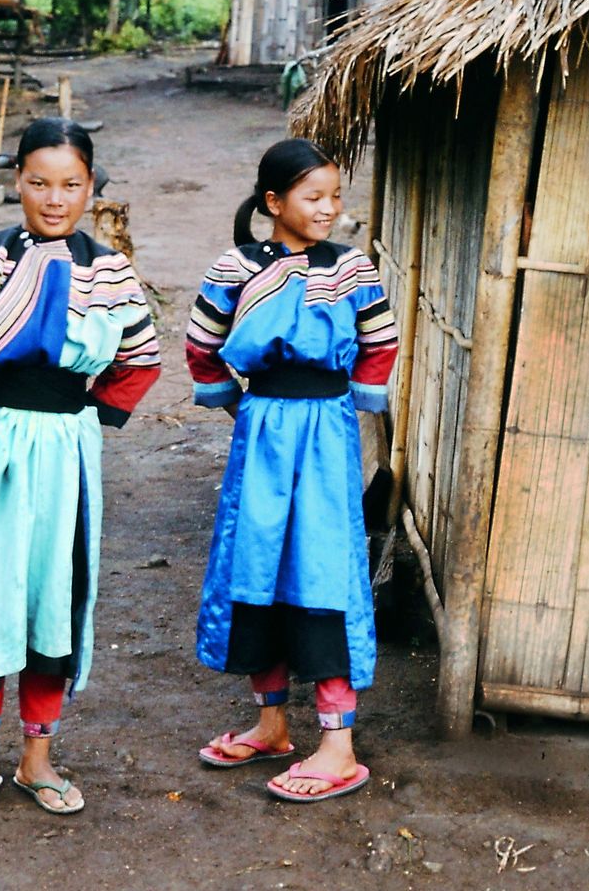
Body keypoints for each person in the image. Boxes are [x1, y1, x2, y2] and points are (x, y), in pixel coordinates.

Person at [0, 117, 160, 815]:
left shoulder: (108, 270)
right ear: (16, 181)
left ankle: (38, 761)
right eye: (39, 183)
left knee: (56, 595)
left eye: (71, 184)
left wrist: (89, 418)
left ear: (90, 187)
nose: (55, 198)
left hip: (68, 450)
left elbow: (140, 359)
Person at [186, 137, 398, 803]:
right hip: (264, 429)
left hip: (327, 431)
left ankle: (338, 745)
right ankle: (271, 723)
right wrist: (243, 412)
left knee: (323, 567)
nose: (329, 209)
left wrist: (350, 415)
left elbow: (379, 343)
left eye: (336, 196)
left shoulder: (352, 268)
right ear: (274, 202)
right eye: (314, 197)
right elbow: (200, 347)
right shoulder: (235, 267)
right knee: (261, 567)